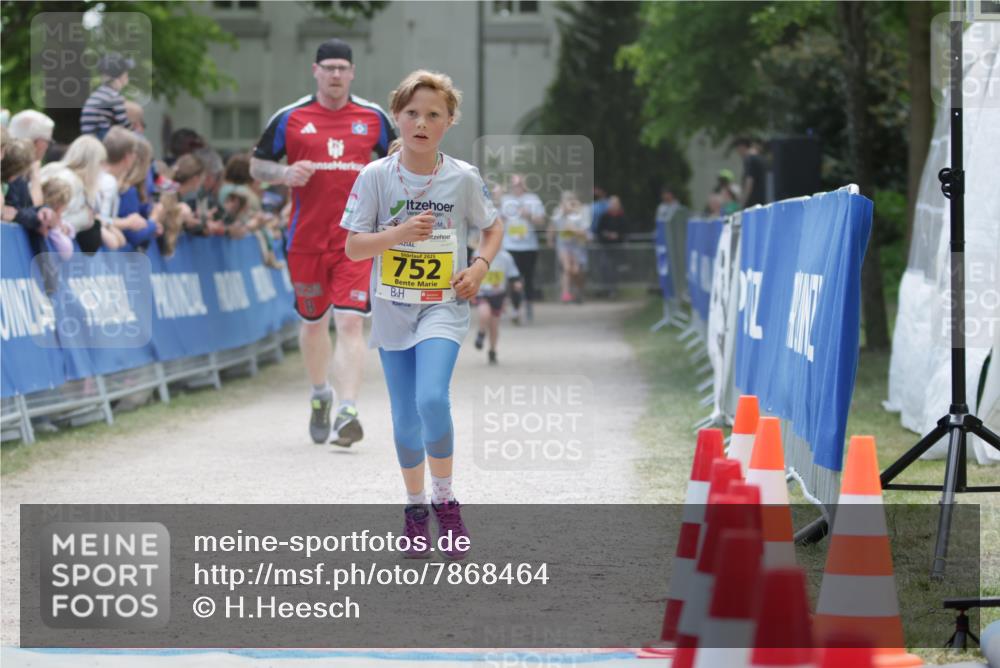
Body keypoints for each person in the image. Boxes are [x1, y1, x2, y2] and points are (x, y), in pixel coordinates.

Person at [342, 69, 503, 559]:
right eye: (411, 113)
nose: (421, 122)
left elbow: (493, 228)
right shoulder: (374, 177)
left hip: (442, 308)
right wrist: (398, 235)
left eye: (433, 114)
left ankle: (446, 500)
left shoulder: (462, 177)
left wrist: (478, 266)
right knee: (406, 422)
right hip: (393, 310)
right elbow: (352, 248)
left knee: (432, 399)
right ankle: (415, 509)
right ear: (396, 116)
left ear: (449, 121)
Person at [251, 38, 395, 447]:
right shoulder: (291, 117)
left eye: (342, 68)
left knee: (350, 321)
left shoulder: (372, 117)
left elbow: (399, 161)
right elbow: (257, 164)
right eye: (327, 68)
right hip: (305, 240)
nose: (335, 75)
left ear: (352, 73)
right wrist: (283, 174)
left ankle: (348, 410)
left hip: (356, 241)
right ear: (315, 71)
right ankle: (320, 395)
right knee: (314, 323)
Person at [499, 174, 545, 324]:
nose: (516, 187)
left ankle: (529, 306)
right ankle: (516, 309)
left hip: (529, 246)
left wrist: (529, 215)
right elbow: (496, 220)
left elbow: (541, 221)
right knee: (513, 278)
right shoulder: (505, 200)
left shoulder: (533, 199)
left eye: (519, 184)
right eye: (514, 184)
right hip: (510, 245)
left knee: (528, 277)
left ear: (524, 185)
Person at [473, 247, 522, 364]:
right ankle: (481, 332)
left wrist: (516, 283)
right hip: (482, 292)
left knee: (494, 325)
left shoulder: (506, 257)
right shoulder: (478, 253)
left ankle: (492, 350)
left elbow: (513, 273)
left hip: (498, 294)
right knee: (484, 313)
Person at [550, 190, 590, 304]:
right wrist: (550, 239)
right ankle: (566, 294)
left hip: (577, 246)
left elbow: (585, 234)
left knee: (576, 270)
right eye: (564, 202)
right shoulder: (557, 213)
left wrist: (574, 230)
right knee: (567, 268)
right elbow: (552, 226)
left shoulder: (580, 213)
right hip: (563, 245)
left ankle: (579, 290)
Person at [80, 53, 134, 138]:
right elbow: (124, 124)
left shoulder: (95, 95)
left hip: (88, 137)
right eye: (126, 75)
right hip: (102, 138)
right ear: (120, 76)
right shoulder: (114, 97)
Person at [595, 195, 626, 297]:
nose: (613, 206)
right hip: (605, 247)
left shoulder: (622, 216)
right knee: (604, 266)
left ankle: (613, 289)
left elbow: (625, 231)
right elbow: (598, 231)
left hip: (617, 247)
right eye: (612, 204)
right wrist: (606, 235)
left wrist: (617, 235)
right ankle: (605, 288)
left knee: (615, 268)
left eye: (615, 204)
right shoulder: (604, 216)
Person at [733, 137, 767, 207]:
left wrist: (742, 202)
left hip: (752, 203)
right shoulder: (758, 157)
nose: (738, 152)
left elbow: (749, 181)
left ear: (741, 147)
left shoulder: (749, 159)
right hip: (761, 200)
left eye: (737, 149)